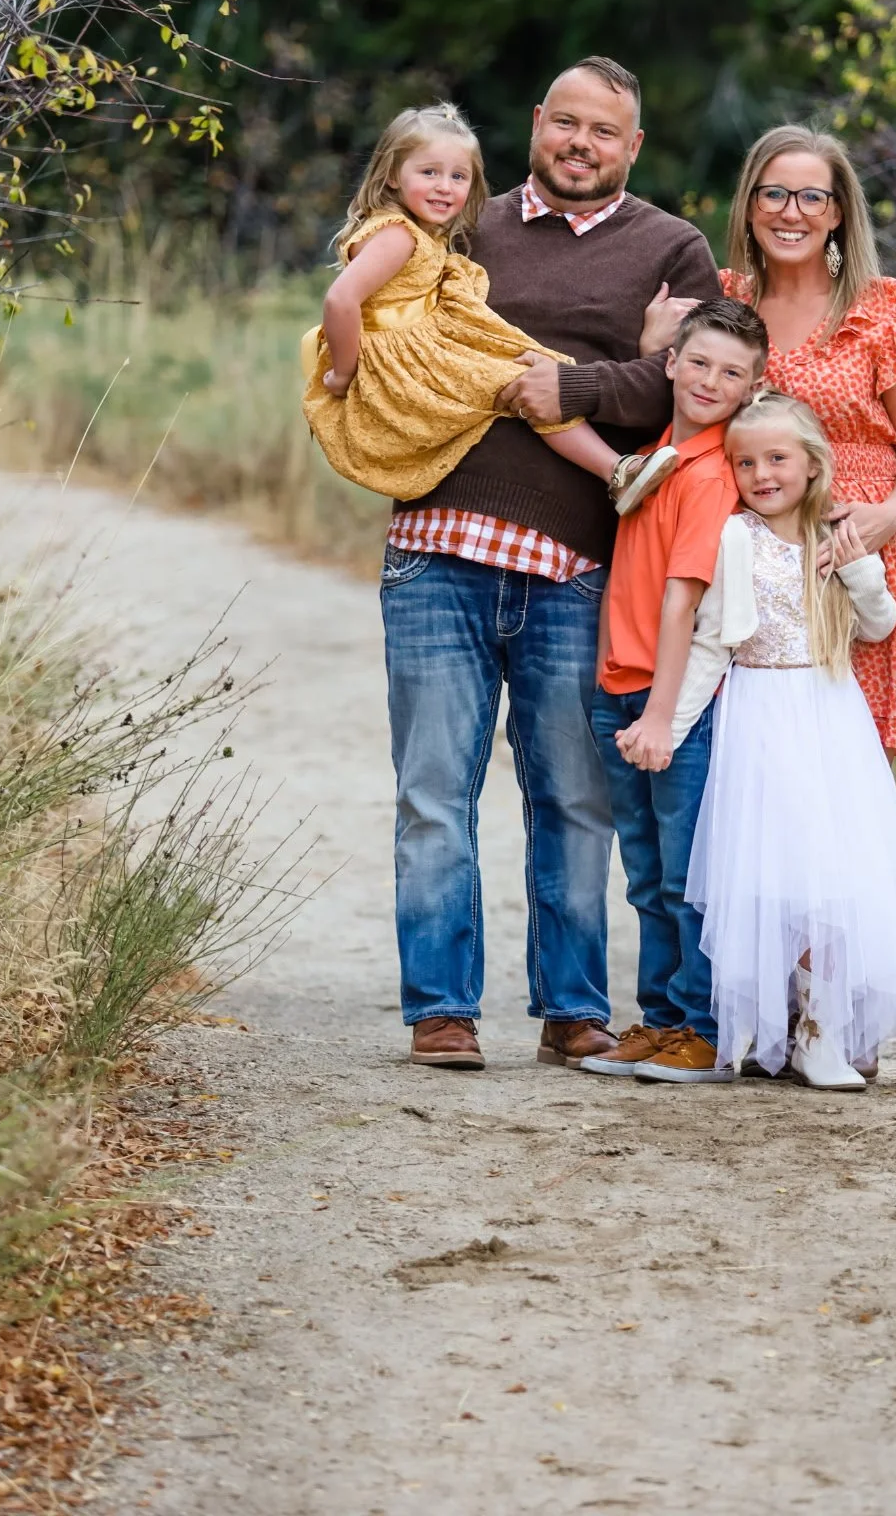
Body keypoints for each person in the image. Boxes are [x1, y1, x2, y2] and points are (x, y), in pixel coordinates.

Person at [643, 122, 896, 1086]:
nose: (791, 213)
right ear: (748, 206)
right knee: (776, 797)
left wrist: (876, 525)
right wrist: (654, 346)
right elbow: (692, 404)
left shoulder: (881, 311)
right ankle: (801, 1016)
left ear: (839, 214)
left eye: (812, 197)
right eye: (774, 194)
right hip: (757, 570)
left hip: (857, 554)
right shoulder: (723, 306)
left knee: (853, 801)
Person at [375, 58, 721, 1070]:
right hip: (436, 549)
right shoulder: (460, 219)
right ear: (535, 124)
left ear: (633, 145)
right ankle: (442, 1007)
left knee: (575, 793)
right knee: (433, 790)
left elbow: (693, 381)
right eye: (564, 123)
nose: (581, 142)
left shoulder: (672, 247)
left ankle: (572, 1006)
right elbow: (398, 330)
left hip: (579, 565)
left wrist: (574, 382)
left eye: (603, 131)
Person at [682, 391, 896, 1091]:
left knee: (838, 869)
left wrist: (855, 564)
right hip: (758, 713)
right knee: (777, 871)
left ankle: (829, 1031)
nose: (761, 474)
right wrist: (668, 729)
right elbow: (711, 642)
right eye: (745, 462)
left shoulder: (835, 533)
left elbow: (878, 625)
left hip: (829, 712)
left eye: (776, 458)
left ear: (811, 463)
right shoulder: (735, 536)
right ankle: (790, 1030)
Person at [301, 104, 677, 517]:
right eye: (429, 173)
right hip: (411, 355)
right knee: (527, 384)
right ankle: (615, 471)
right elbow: (340, 300)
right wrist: (342, 372)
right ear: (392, 175)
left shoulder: (415, 232)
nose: (445, 187)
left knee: (533, 375)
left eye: (458, 176)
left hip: (426, 344)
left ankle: (615, 470)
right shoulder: (398, 235)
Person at [579, 297, 771, 1086]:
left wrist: (660, 713)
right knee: (646, 874)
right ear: (670, 363)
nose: (708, 381)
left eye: (730, 373)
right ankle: (659, 1022)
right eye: (697, 362)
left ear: (751, 389)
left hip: (670, 708)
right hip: (618, 688)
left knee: (687, 877)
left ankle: (702, 1027)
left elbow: (684, 599)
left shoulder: (712, 474)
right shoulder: (658, 455)